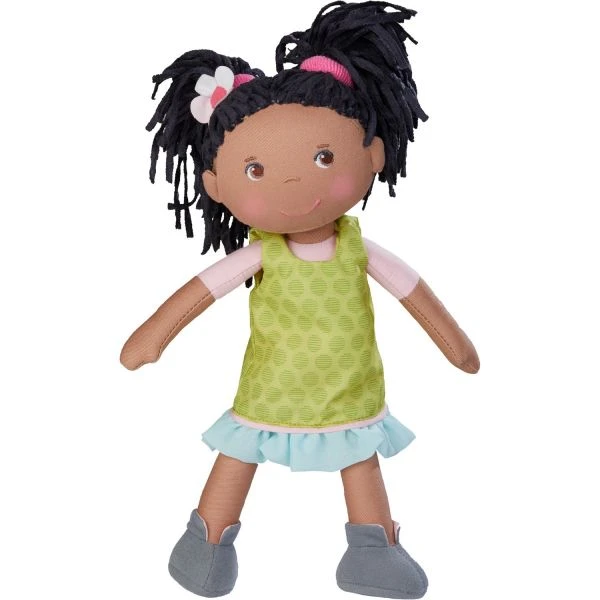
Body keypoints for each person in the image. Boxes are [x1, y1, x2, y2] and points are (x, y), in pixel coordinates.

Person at [121, 2, 479, 597]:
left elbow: (414, 292)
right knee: (240, 451)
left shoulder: (357, 248)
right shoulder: (261, 253)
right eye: (255, 169)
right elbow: (199, 293)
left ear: (373, 155)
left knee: (359, 456)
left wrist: (456, 348)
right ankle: (205, 543)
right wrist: (151, 339)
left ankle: (371, 551)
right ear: (215, 186)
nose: (292, 182)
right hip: (272, 384)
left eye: (323, 158)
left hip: (349, 383)